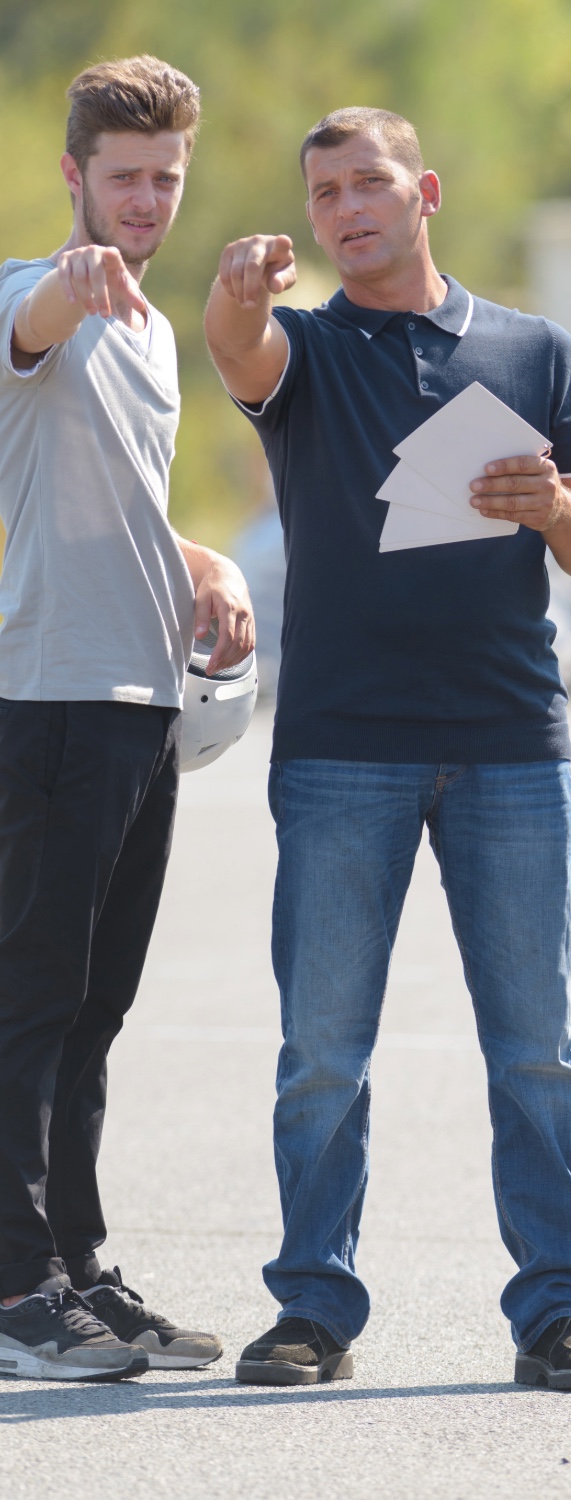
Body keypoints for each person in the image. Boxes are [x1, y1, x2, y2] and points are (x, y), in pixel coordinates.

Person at [204, 108, 571, 1391]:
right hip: (341, 748)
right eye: (323, 190)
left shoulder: (534, 350)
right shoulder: (307, 354)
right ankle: (314, 1311)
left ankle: (559, 1309)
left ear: (425, 191)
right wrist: (234, 296)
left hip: (511, 745)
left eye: (369, 182)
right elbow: (235, 349)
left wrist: (550, 503)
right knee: (323, 1050)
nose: (346, 206)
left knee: (538, 1049)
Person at [0, 56, 254, 1382]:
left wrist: (202, 565)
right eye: (123, 180)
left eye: (166, 179)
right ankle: (12, 1291)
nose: (147, 203)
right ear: (74, 177)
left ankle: (80, 1269)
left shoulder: (154, 335)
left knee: (95, 1011)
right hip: (47, 701)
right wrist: (66, 285)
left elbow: (112, 509)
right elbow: (30, 329)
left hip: (141, 708)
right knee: (27, 1005)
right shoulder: (33, 299)